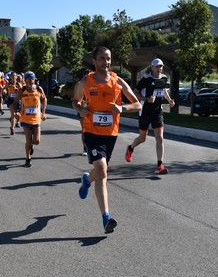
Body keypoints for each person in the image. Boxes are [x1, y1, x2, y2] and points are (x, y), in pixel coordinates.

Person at [72, 46, 141, 233]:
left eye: (108, 58)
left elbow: (137, 103)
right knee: (102, 170)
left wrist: (123, 109)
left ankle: (87, 181)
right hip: (92, 131)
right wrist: (80, 109)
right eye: (102, 58)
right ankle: (106, 218)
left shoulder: (117, 81)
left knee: (99, 171)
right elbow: (75, 100)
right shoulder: (86, 81)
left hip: (110, 134)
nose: (106, 62)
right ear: (94, 61)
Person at [125, 57, 176, 174]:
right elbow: (135, 92)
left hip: (157, 112)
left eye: (161, 66)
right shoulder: (146, 79)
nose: (159, 68)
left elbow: (163, 90)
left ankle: (160, 165)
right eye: (157, 66)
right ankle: (130, 148)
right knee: (142, 138)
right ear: (152, 67)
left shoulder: (164, 78)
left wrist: (169, 100)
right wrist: (146, 99)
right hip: (145, 111)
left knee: (160, 138)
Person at [14, 71, 47, 167]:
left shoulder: (39, 89)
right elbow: (15, 102)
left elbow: (44, 99)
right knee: (28, 140)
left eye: (32, 79)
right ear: (25, 80)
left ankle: (31, 146)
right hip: (25, 119)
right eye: (29, 79)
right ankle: (28, 158)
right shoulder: (22, 90)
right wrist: (16, 112)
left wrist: (43, 112)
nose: (31, 81)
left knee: (36, 141)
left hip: (36, 119)